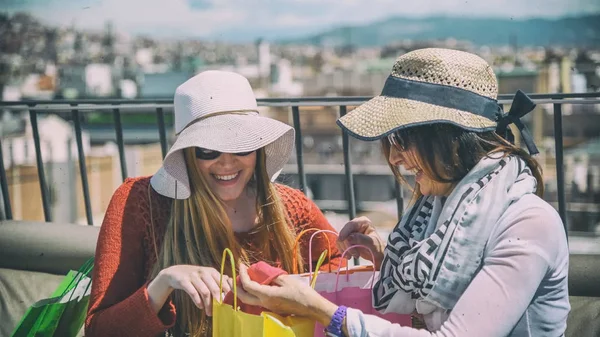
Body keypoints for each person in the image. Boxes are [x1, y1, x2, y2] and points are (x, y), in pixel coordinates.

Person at [233, 48, 570, 337]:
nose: (394, 157)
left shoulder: (527, 224)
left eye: (402, 140)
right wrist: (385, 260)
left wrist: (323, 311)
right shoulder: (445, 207)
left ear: (447, 137)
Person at [84, 70, 344, 337]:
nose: (227, 162)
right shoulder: (140, 204)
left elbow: (338, 265)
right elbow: (99, 329)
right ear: (187, 154)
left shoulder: (291, 207)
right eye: (209, 149)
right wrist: (162, 284)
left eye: (242, 145)